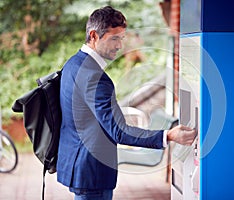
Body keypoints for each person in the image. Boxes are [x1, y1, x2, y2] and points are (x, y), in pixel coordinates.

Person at [57, 6, 197, 200]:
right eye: (114, 38)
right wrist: (169, 135)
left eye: (121, 38)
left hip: (77, 165)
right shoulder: (94, 77)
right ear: (94, 35)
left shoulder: (73, 63)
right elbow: (119, 131)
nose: (119, 46)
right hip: (91, 172)